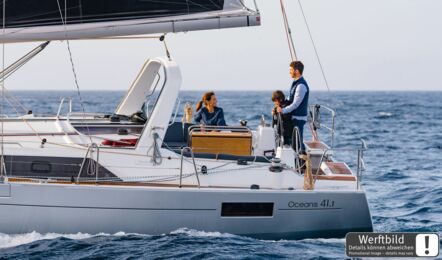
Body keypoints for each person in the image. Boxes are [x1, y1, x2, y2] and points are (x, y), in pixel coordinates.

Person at [276, 61, 309, 152]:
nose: (289, 72)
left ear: (297, 71)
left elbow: (295, 104)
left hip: (298, 118)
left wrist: (283, 110)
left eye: (291, 70)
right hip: (293, 117)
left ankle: (302, 162)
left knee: (298, 142)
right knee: (293, 142)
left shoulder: (301, 86)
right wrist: (279, 107)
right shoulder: (295, 83)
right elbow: (289, 98)